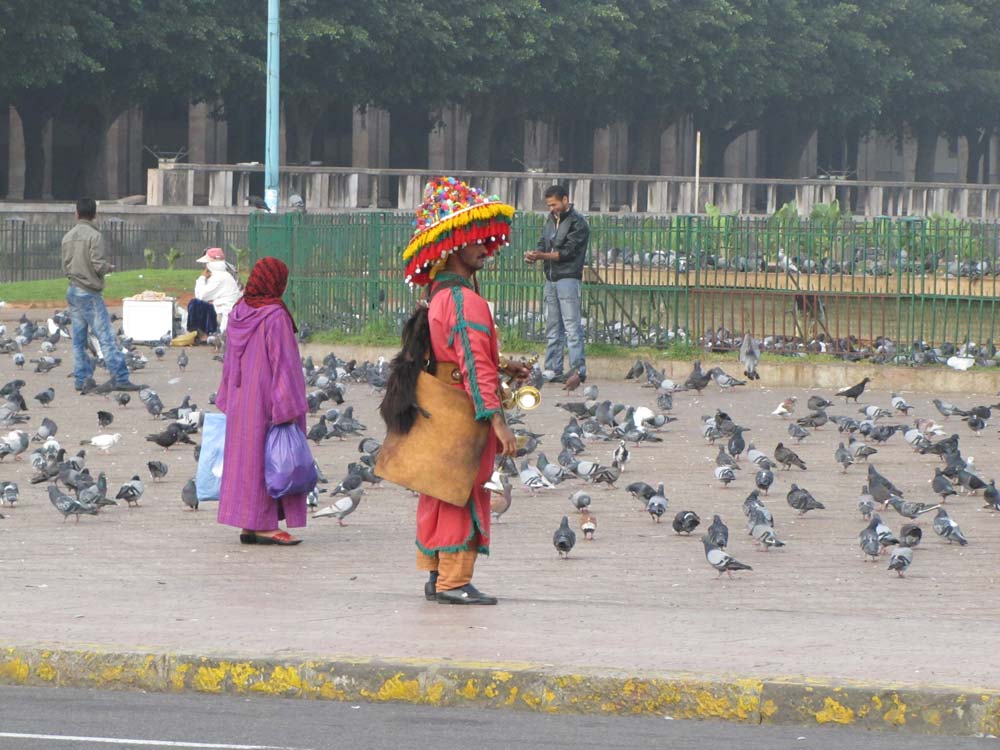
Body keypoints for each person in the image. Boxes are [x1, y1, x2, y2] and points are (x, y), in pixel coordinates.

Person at [382, 177, 523, 605]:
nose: (486, 248)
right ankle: (454, 581)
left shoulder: (437, 296)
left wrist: (505, 365)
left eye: (487, 240)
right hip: (461, 412)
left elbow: (451, 353)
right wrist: (498, 421)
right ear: (455, 244)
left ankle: (435, 575)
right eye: (477, 240)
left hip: (435, 407)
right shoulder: (466, 302)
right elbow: (475, 367)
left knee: (437, 489)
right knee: (463, 490)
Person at [216, 257, 308, 545]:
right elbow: (285, 364)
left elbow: (229, 361)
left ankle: (249, 523)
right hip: (268, 399)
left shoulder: (238, 312)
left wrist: (229, 397)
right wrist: (287, 406)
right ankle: (266, 525)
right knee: (269, 460)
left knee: (246, 459)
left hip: (242, 397)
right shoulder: (275, 316)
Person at [61, 197, 143, 392]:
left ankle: (82, 379)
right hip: (89, 291)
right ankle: (120, 377)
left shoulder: (67, 237)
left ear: (76, 213)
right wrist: (108, 267)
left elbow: (65, 266)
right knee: (105, 336)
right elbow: (97, 264)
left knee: (79, 340)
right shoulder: (94, 236)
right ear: (95, 215)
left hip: (72, 289)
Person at [524, 184, 590, 383]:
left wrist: (541, 256)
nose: (551, 208)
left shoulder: (578, 223)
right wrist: (534, 253)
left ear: (565, 200)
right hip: (551, 278)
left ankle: (578, 370)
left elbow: (569, 252)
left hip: (568, 277)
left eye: (554, 204)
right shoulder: (551, 220)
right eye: (549, 205)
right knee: (553, 327)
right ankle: (553, 368)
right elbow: (543, 242)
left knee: (572, 327)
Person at [187, 247, 241, 338]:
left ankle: (198, 333)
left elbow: (200, 295)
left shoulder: (218, 276)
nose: (206, 266)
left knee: (195, 304)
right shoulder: (225, 273)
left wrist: (202, 278)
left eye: (207, 263)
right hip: (227, 307)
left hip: (224, 311)